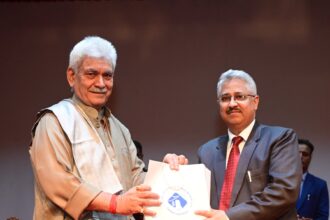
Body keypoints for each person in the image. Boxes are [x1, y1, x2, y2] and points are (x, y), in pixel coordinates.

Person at [29, 36, 188, 220]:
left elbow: (135, 178)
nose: (101, 84)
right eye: (91, 74)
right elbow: (58, 181)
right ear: (72, 76)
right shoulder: (54, 121)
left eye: (107, 75)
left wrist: (165, 174)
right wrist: (115, 203)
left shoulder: (119, 128)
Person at [195, 69, 301, 219]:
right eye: (225, 98)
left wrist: (228, 217)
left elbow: (284, 192)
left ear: (255, 102)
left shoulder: (280, 138)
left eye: (240, 96)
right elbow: (196, 199)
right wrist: (173, 171)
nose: (232, 103)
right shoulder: (206, 151)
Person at [296, 139, 329, 220]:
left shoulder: (320, 185)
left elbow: (323, 216)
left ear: (310, 158)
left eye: (305, 154)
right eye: (297, 153)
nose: (300, 157)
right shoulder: (278, 182)